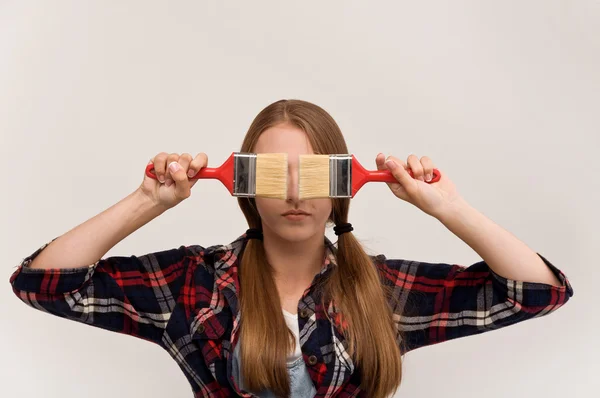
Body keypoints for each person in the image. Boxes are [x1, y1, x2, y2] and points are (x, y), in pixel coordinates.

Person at [9, 99, 573, 398]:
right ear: (247, 186)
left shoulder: (382, 292)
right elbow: (41, 284)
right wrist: (148, 201)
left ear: (342, 187)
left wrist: (448, 207)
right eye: (277, 174)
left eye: (315, 174)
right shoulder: (192, 283)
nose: (298, 193)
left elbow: (539, 293)